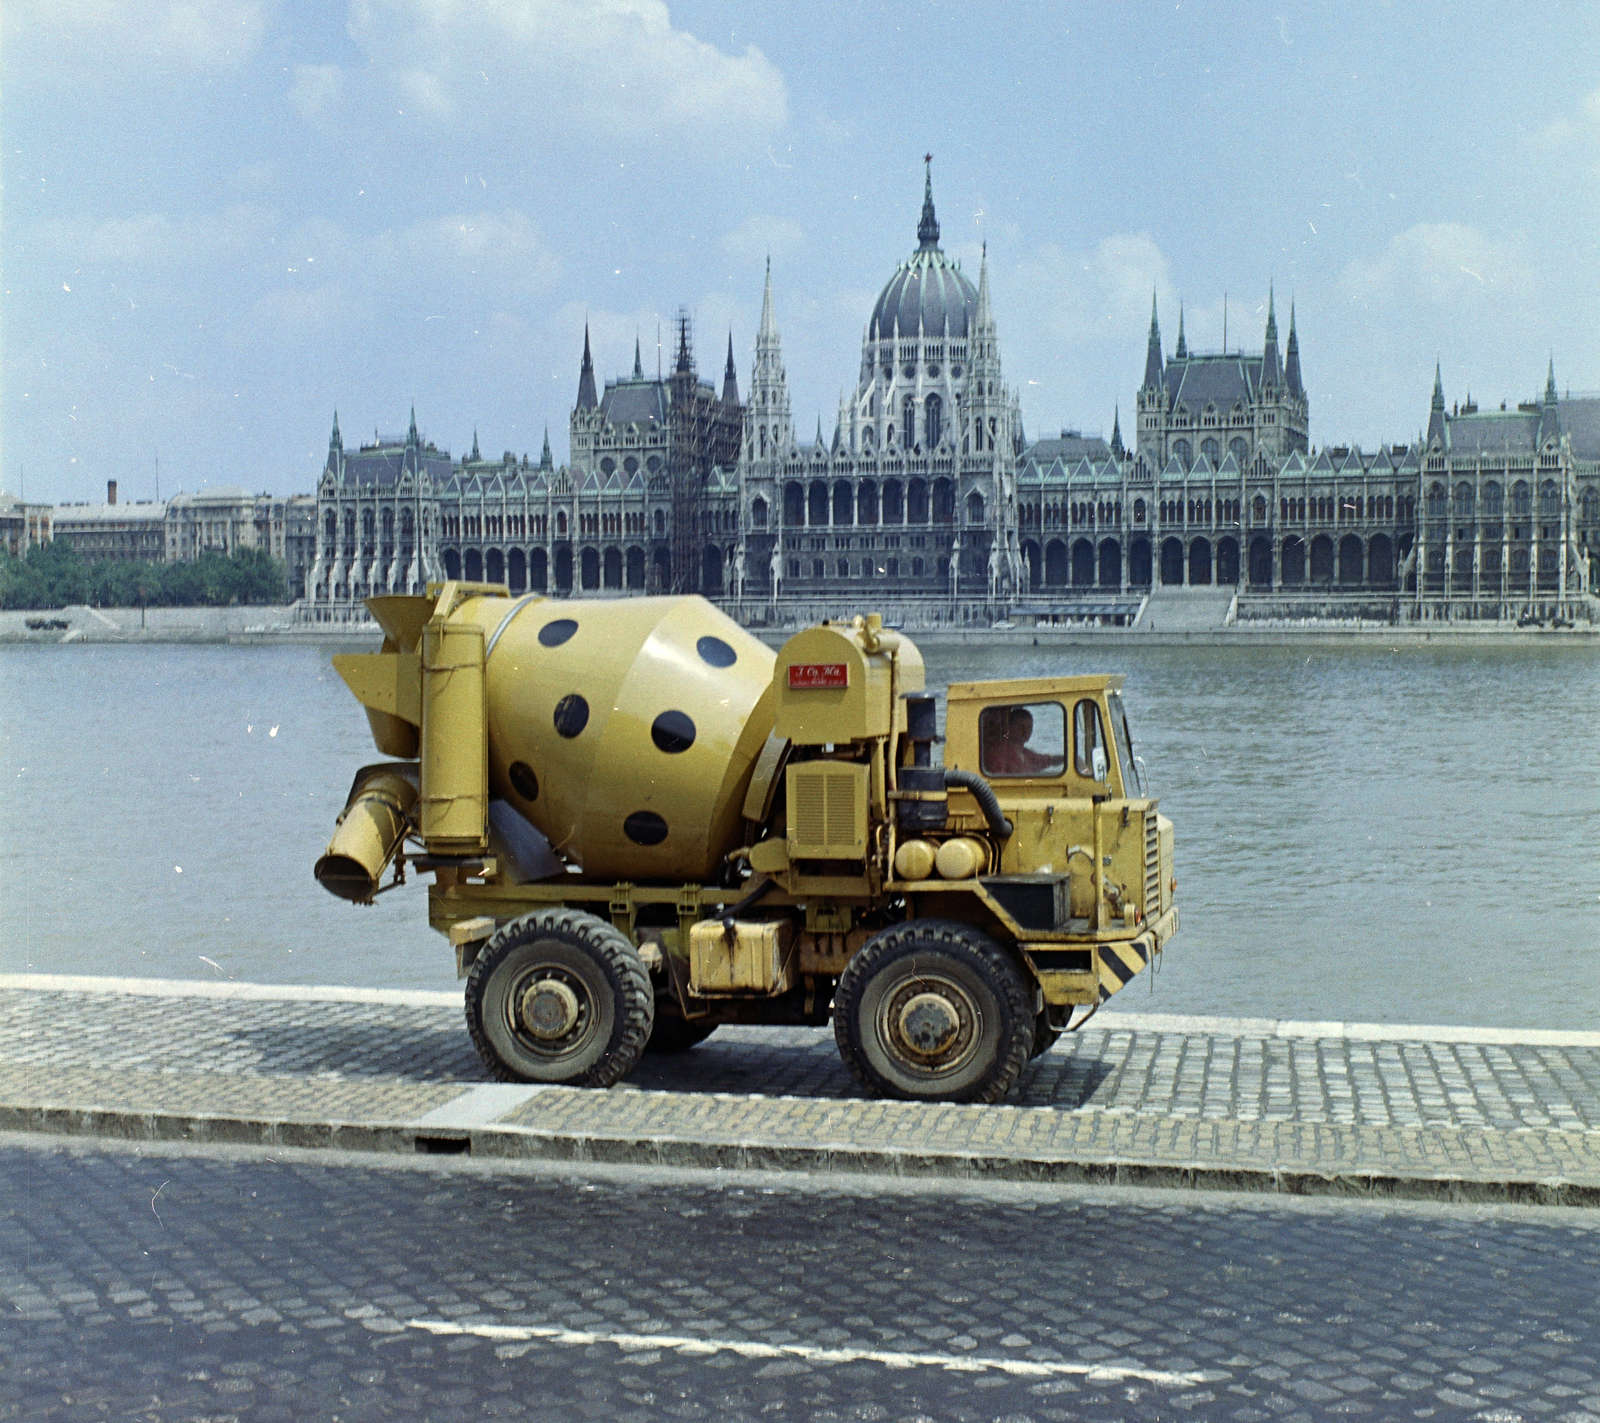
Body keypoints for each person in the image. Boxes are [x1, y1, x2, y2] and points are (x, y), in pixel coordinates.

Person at [982, 706, 1056, 775]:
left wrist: (1064, 758)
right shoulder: (999, 753)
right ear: (1009, 727)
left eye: (1029, 727)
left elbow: (1046, 760)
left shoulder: (1026, 753)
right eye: (1020, 726)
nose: (1025, 731)